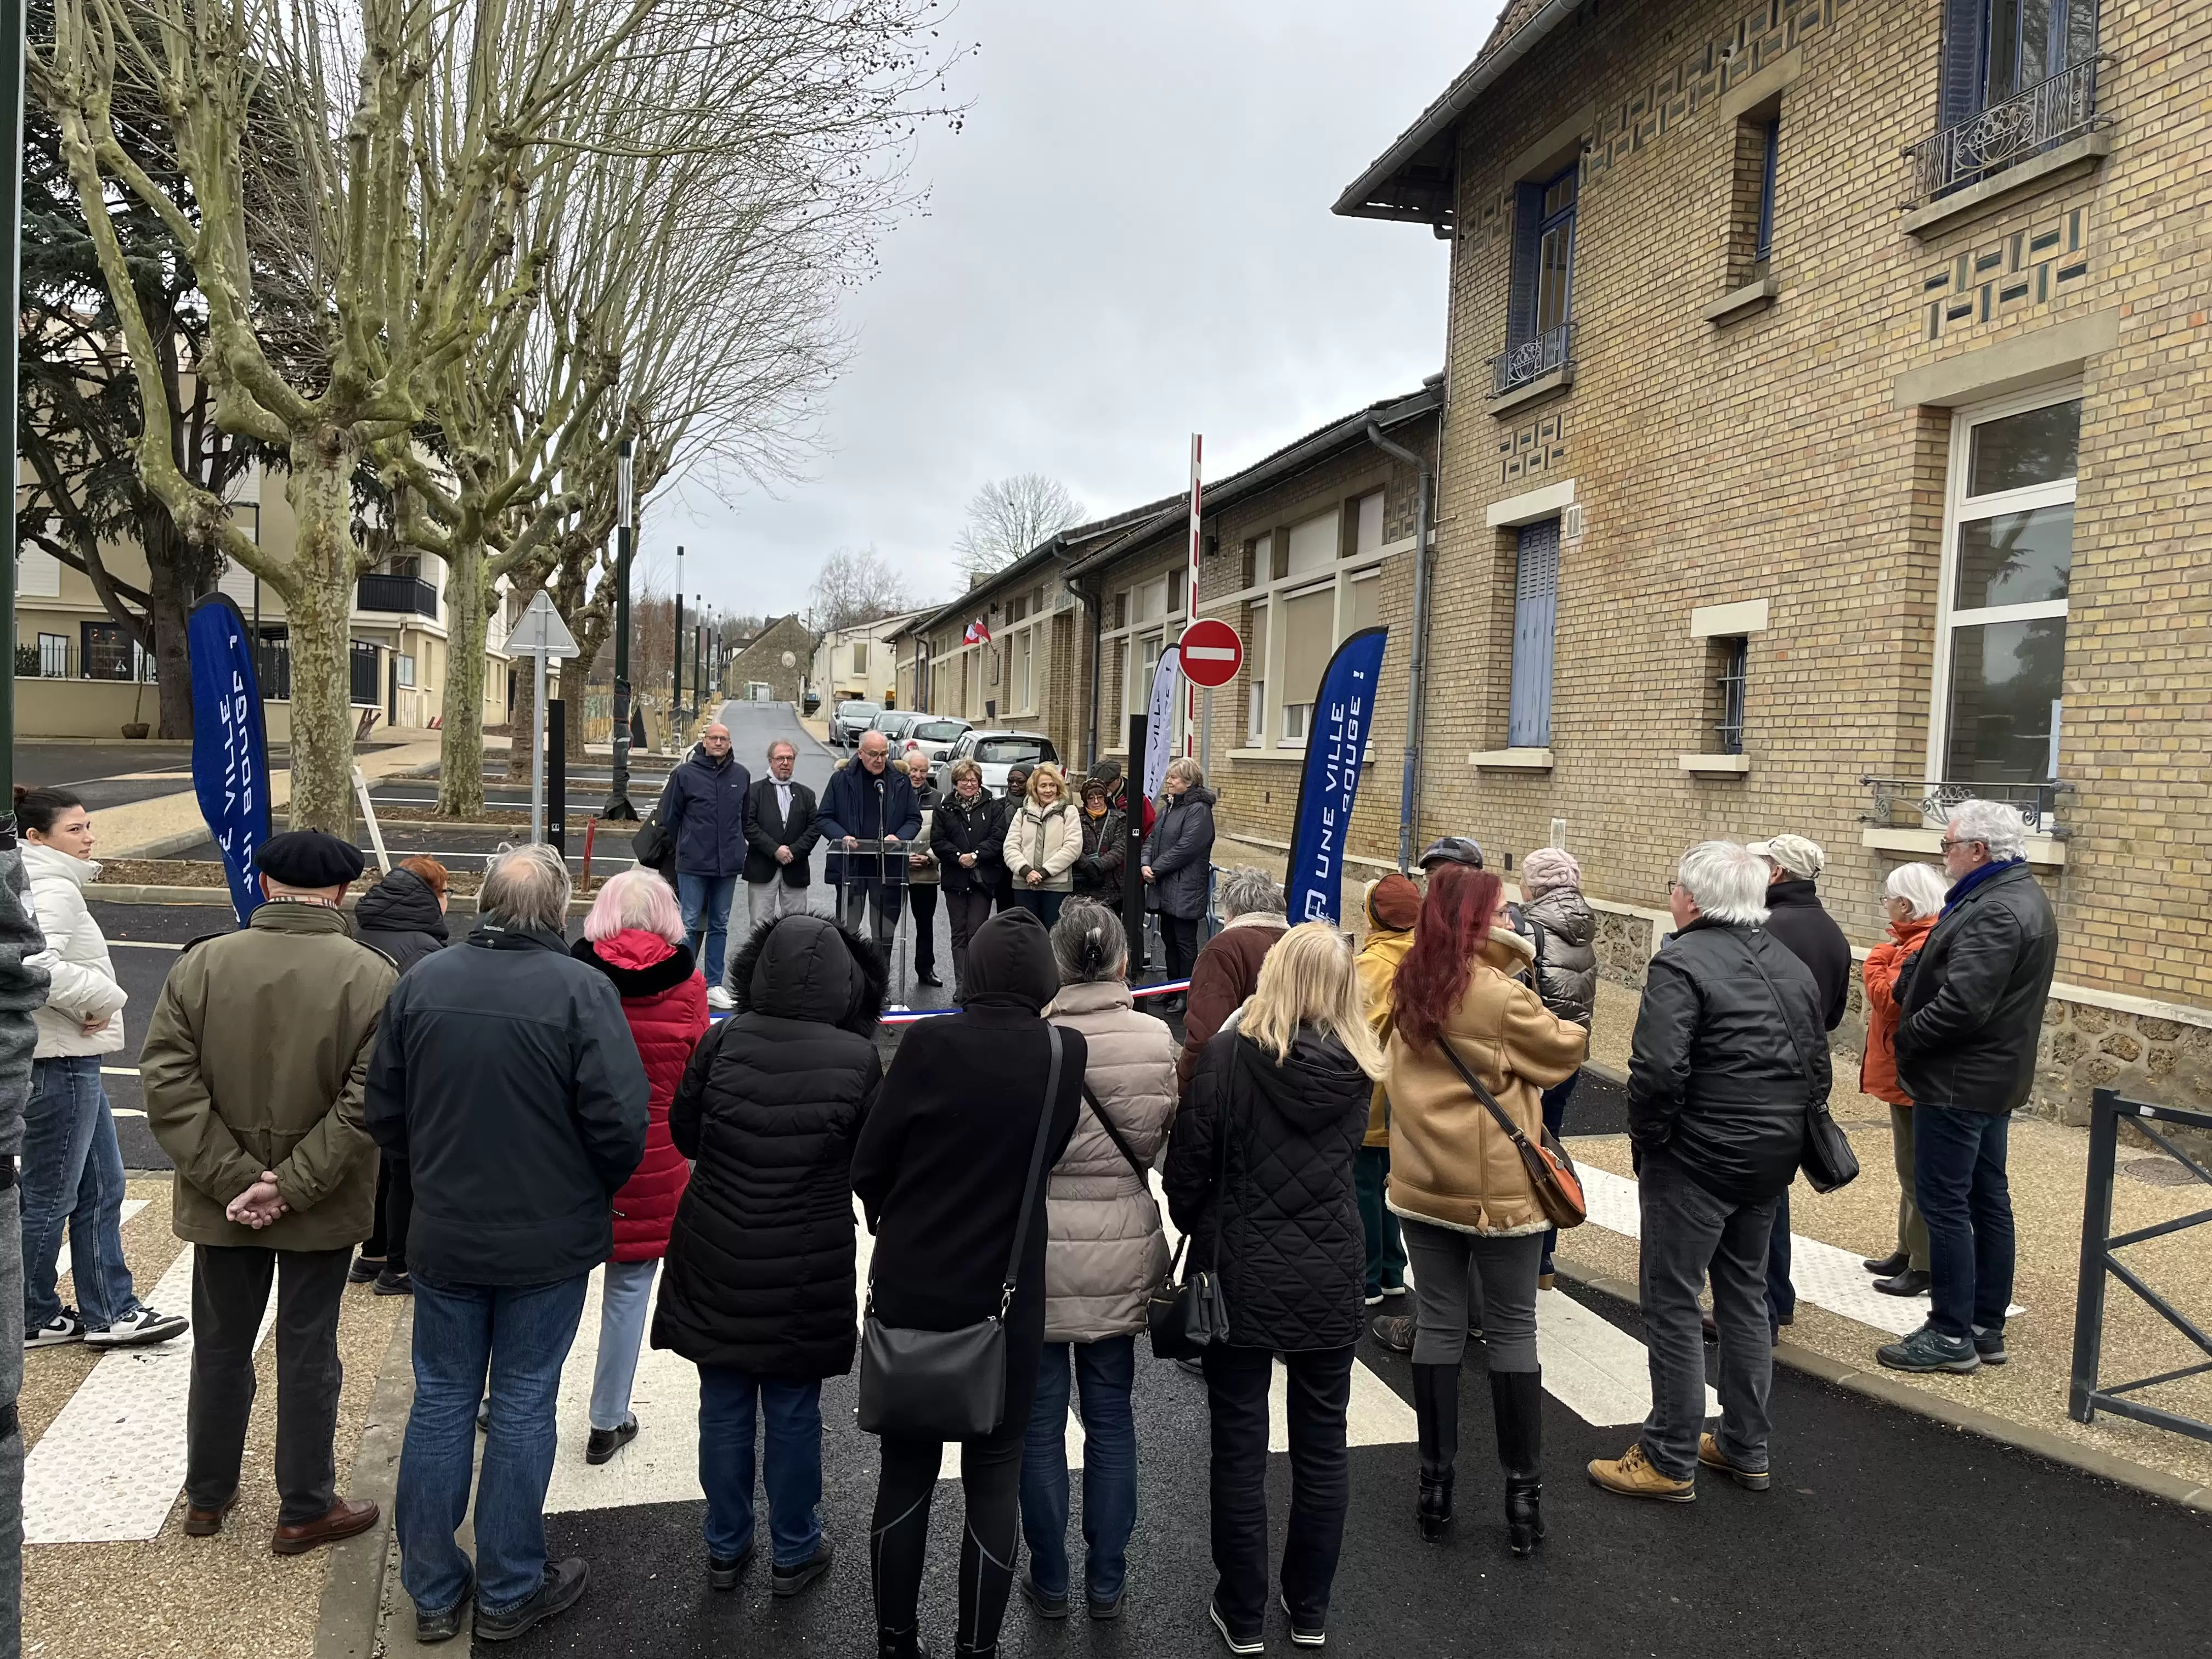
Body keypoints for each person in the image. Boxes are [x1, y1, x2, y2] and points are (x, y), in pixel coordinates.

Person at [366, 844, 650, 1645]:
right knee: (524, 1403)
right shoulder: (581, 991)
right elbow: (618, 1125)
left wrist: (428, 1169)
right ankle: (509, 1586)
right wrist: (588, 1186)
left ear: (486, 902)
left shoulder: (426, 982)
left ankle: (431, 1588)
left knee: (444, 1399)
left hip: (448, 1228)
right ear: (556, 910)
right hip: (548, 1234)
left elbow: (385, 1112)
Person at [139, 830, 395, 1552]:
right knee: (310, 1350)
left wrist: (235, 1180)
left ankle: (207, 1497)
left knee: (220, 1347)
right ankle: (304, 1505)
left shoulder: (203, 965)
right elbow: (366, 1102)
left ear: (262, 883)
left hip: (223, 1199)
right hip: (322, 1200)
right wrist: (291, 1185)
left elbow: (168, 1083)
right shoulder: (372, 974)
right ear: (341, 893)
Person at [853, 910, 1084, 1659]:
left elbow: (870, 1163)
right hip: (1008, 1294)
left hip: (916, 1280)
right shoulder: (1062, 1052)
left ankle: (896, 1642)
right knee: (995, 1473)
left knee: (907, 1468)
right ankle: (977, 1649)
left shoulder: (926, 1043)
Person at [653, 912, 884, 1598]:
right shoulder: (857, 1059)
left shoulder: (725, 1043)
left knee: (722, 1400)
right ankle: (794, 1546)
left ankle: (725, 1545)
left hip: (717, 1241)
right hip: (806, 1252)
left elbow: (685, 1132)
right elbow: (868, 1161)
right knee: (792, 1408)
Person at [1165, 923, 1381, 1654]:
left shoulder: (1228, 1055)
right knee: (1324, 1444)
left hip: (1242, 1267)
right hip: (1329, 1266)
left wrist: (1198, 1220)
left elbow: (1188, 1169)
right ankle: (1311, 1609)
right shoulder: (1361, 1063)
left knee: (1239, 1445)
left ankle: (1244, 1610)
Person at [1589, 841, 1824, 1503]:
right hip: (1768, 1157)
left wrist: (1651, 1141)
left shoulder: (1682, 960)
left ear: (1691, 898)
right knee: (1746, 1298)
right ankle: (1747, 1445)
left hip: (1695, 1156)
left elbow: (1658, 1071)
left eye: (1674, 887)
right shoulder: (1792, 965)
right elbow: (1817, 1067)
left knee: (1672, 1301)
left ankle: (1668, 1455)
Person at [1383, 864, 1587, 1553]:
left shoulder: (1408, 984)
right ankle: (1521, 1499)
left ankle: (1433, 1488)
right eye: (1499, 912)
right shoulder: (1499, 995)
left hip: (1421, 1184)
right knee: (1511, 1331)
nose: (1510, 921)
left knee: (1439, 1324)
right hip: (1496, 1191)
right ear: (1477, 920)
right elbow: (1561, 1052)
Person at [1019, 902, 1177, 1622]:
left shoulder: (1034, 1040)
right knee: (1112, 1417)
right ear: (1121, 963)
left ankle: (1049, 1579)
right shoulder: (1154, 1039)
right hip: (1121, 1241)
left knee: (1041, 1422)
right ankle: (1107, 1582)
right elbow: (1168, 1149)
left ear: (1057, 964)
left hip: (1043, 1249)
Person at [1881, 801, 2057, 1375]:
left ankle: (1953, 1331)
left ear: (1977, 850)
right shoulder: (2009, 895)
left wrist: (1907, 1040)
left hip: (1960, 1079)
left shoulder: (1998, 908)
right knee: (1985, 1198)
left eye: (1948, 846)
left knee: (1947, 1202)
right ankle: (1985, 1324)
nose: (1944, 856)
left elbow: (1962, 1005)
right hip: (1987, 1076)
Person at [17, 786, 188, 1350]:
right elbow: (31, 964)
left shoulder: (45, 880)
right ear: (35, 838)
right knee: (53, 1194)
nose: (89, 838)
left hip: (66, 1056)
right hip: (59, 1060)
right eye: (76, 829)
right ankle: (31, 1313)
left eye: (90, 826)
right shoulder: (48, 886)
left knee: (99, 1187)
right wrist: (100, 997)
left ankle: (104, 1309)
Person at [570, 870, 709, 1463]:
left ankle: (506, 1399)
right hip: (656, 1152)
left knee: (549, 1288)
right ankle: (607, 1418)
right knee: (629, 1292)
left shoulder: (575, 976)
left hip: (575, 1152)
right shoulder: (689, 982)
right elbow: (697, 1071)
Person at [1745, 834, 1851, 1340]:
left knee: (1751, 1201)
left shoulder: (1763, 928)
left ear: (1777, 873)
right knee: (1773, 1194)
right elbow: (1832, 1015)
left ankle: (1757, 1308)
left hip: (1758, 1075)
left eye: (1761, 862)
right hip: (1803, 1076)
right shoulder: (1832, 931)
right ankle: (1776, 1298)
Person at [348, 855, 452, 1298]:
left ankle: (371, 1252)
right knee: (405, 1166)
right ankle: (398, 1264)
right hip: (403, 1062)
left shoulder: (359, 932)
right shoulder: (428, 951)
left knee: (375, 1161)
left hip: (355, 1059)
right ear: (433, 896)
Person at [1859, 864, 1949, 1299]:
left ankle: (1924, 1264)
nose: (1887, 905)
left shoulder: (1916, 946)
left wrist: (1876, 960)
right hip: (1905, 1070)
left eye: (1890, 899)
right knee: (1907, 1166)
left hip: (1910, 1073)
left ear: (1906, 904)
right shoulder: (1913, 941)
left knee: (1916, 1171)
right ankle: (1906, 1249)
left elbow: (1889, 1001)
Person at [1516, 848, 1598, 1290]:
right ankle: (1545, 1261)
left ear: (1533, 886)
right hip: (1570, 1057)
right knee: (1552, 1150)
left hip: (1533, 1061)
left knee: (1523, 1156)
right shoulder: (1583, 926)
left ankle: (1526, 1258)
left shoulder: (1531, 926)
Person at [1351, 876, 1421, 1319]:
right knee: (1393, 1187)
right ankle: (1395, 1271)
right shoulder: (1427, 959)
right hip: (1414, 1099)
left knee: (1363, 1188)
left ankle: (1369, 1277)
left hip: (1372, 1098)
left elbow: (1359, 1033)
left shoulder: (1369, 967)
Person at [658, 721, 754, 1009]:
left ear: (730, 743)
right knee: (687, 923)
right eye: (714, 738)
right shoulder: (685, 774)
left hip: (728, 866)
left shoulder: (742, 775)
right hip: (693, 863)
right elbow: (671, 817)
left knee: (719, 925)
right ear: (704, 741)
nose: (719, 743)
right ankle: (683, 981)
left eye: (724, 739)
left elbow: (744, 818)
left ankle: (714, 984)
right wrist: (688, 843)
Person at [1177, 867, 1289, 1088]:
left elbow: (1205, 1036)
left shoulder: (1224, 949)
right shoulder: (1298, 945)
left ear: (1231, 911)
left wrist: (1182, 1088)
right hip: (1287, 1083)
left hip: (1234, 1087)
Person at [819, 730, 920, 952]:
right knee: (848, 933)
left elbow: (914, 819)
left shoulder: (900, 781)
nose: (880, 759)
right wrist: (842, 836)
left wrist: (899, 837)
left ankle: (879, 983)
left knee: (883, 936)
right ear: (860, 753)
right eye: (874, 754)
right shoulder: (841, 780)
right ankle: (850, 982)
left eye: (884, 754)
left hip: (888, 870)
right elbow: (824, 817)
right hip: (851, 868)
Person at [1141, 758, 1216, 1009]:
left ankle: (1186, 994)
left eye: (1174, 778)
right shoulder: (1169, 808)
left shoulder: (1199, 811)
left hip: (1185, 888)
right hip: (1165, 886)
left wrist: (1156, 867)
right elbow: (1152, 839)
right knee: (1169, 941)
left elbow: (1188, 848)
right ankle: (1171, 988)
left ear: (1189, 782)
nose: (1169, 782)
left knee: (1185, 945)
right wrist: (1145, 864)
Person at [931, 759, 1003, 999]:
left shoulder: (993, 807)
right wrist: (958, 857)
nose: (969, 784)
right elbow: (938, 841)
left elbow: (998, 837)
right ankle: (961, 984)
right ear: (956, 783)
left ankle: (976, 984)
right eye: (964, 780)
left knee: (977, 932)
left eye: (973, 780)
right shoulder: (944, 809)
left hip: (982, 879)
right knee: (958, 934)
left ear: (979, 782)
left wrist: (976, 855)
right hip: (955, 878)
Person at [742, 739, 819, 935]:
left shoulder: (807, 795)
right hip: (762, 868)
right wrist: (775, 850)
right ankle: (759, 966)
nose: (785, 762)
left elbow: (815, 828)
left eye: (790, 758)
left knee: (798, 927)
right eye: (780, 758)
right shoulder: (754, 792)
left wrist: (793, 851)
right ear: (770, 761)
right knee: (760, 927)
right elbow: (748, 825)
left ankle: (793, 965)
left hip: (796, 868)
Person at [1004, 762, 1083, 930]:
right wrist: (1026, 871)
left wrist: (1044, 873)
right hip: (1025, 885)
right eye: (1043, 786)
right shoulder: (1022, 813)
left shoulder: (1069, 812)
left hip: (1056, 887)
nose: (1048, 790)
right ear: (1035, 789)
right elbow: (1010, 847)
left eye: (1052, 785)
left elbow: (1072, 848)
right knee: (1026, 936)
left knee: (1054, 936)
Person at [901, 751, 944, 988]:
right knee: (885, 926)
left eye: (922, 771)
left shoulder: (938, 798)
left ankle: (925, 969)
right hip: (895, 871)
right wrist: (901, 857)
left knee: (925, 924)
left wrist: (929, 859)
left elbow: (944, 836)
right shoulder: (891, 795)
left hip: (925, 873)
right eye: (913, 770)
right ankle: (880, 973)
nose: (917, 775)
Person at [1070, 777, 1126, 902]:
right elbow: (1070, 845)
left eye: (1100, 797)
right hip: (1081, 885)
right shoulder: (1075, 818)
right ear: (1085, 800)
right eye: (1091, 798)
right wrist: (1086, 866)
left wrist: (1097, 866)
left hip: (1111, 888)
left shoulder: (1118, 818)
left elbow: (1120, 849)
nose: (1096, 802)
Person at [990, 764, 1033, 915]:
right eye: (1011, 781)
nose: (1014, 785)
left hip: (1030, 869)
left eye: (1020, 782)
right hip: (1003, 871)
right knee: (1005, 917)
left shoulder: (1036, 806)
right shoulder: (997, 806)